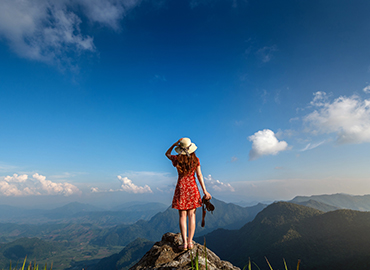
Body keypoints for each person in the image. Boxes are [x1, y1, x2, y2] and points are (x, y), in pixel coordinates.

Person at [165, 137, 212, 250]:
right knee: (192, 215)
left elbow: (167, 153)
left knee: (182, 216)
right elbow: (200, 175)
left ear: (180, 148)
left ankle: (184, 243)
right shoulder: (196, 160)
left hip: (181, 187)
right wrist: (205, 191)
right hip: (192, 187)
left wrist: (174, 144)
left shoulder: (177, 159)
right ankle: (190, 242)